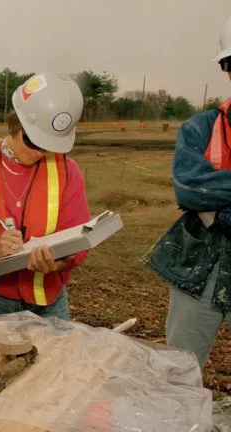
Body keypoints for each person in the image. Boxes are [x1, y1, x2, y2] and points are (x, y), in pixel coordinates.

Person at [0, 72, 90, 320]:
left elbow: (80, 239)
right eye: (32, 141)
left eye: (49, 145)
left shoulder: (67, 172)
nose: (39, 153)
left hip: (48, 303)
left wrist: (60, 263)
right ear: (15, 123)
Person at [144, 17, 231, 367]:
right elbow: (190, 190)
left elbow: (206, 191)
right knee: (178, 368)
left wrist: (219, 209)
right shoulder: (200, 127)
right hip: (201, 264)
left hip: (208, 231)